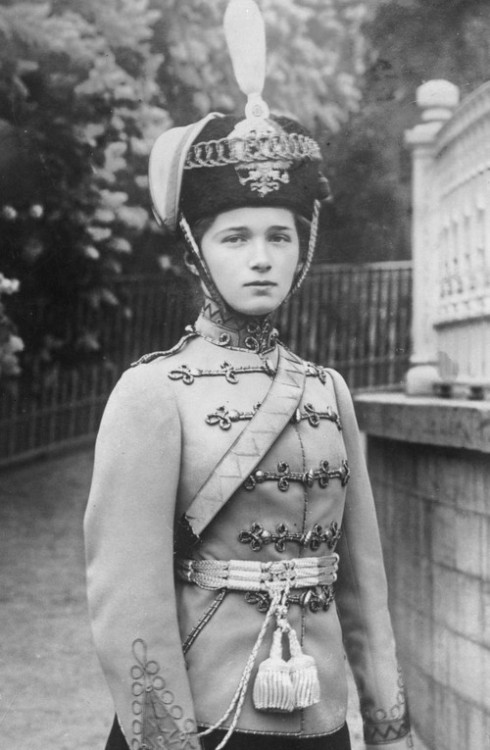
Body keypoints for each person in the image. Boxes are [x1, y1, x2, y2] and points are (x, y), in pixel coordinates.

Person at [84, 2, 413, 749]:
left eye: (279, 236)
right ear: (200, 251)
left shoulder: (328, 392)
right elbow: (124, 600)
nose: (261, 257)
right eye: (236, 237)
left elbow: (364, 583)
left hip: (321, 716)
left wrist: (387, 724)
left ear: (305, 247)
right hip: (206, 721)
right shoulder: (151, 393)